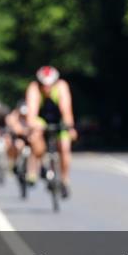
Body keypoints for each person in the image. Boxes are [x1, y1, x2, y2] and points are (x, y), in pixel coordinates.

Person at [25, 66, 78, 198]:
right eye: (44, 85)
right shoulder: (34, 88)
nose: (47, 88)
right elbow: (31, 113)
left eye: (50, 85)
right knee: (36, 138)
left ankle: (65, 180)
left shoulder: (61, 86)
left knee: (65, 148)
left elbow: (66, 109)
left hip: (58, 119)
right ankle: (37, 166)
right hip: (41, 119)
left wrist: (70, 127)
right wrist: (34, 125)